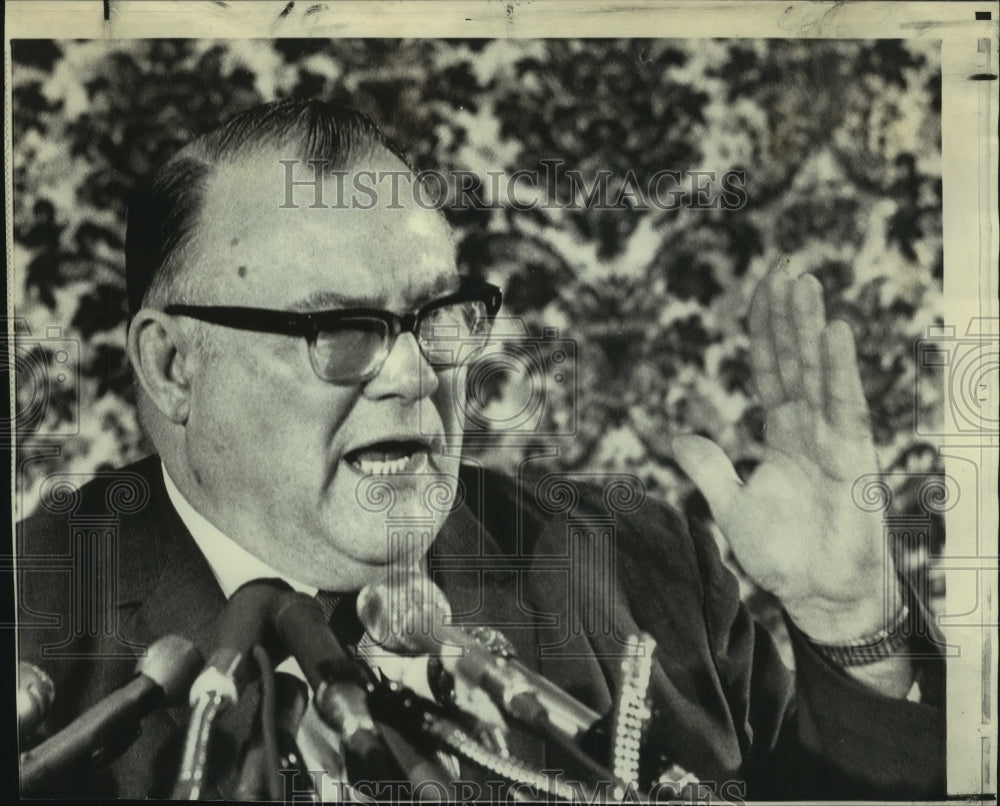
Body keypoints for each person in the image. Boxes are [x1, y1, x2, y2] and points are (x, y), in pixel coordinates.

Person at [15, 99, 944, 801]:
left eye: (437, 316)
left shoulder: (647, 571)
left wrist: (852, 623)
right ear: (174, 366)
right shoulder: (31, 620)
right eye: (342, 328)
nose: (416, 374)